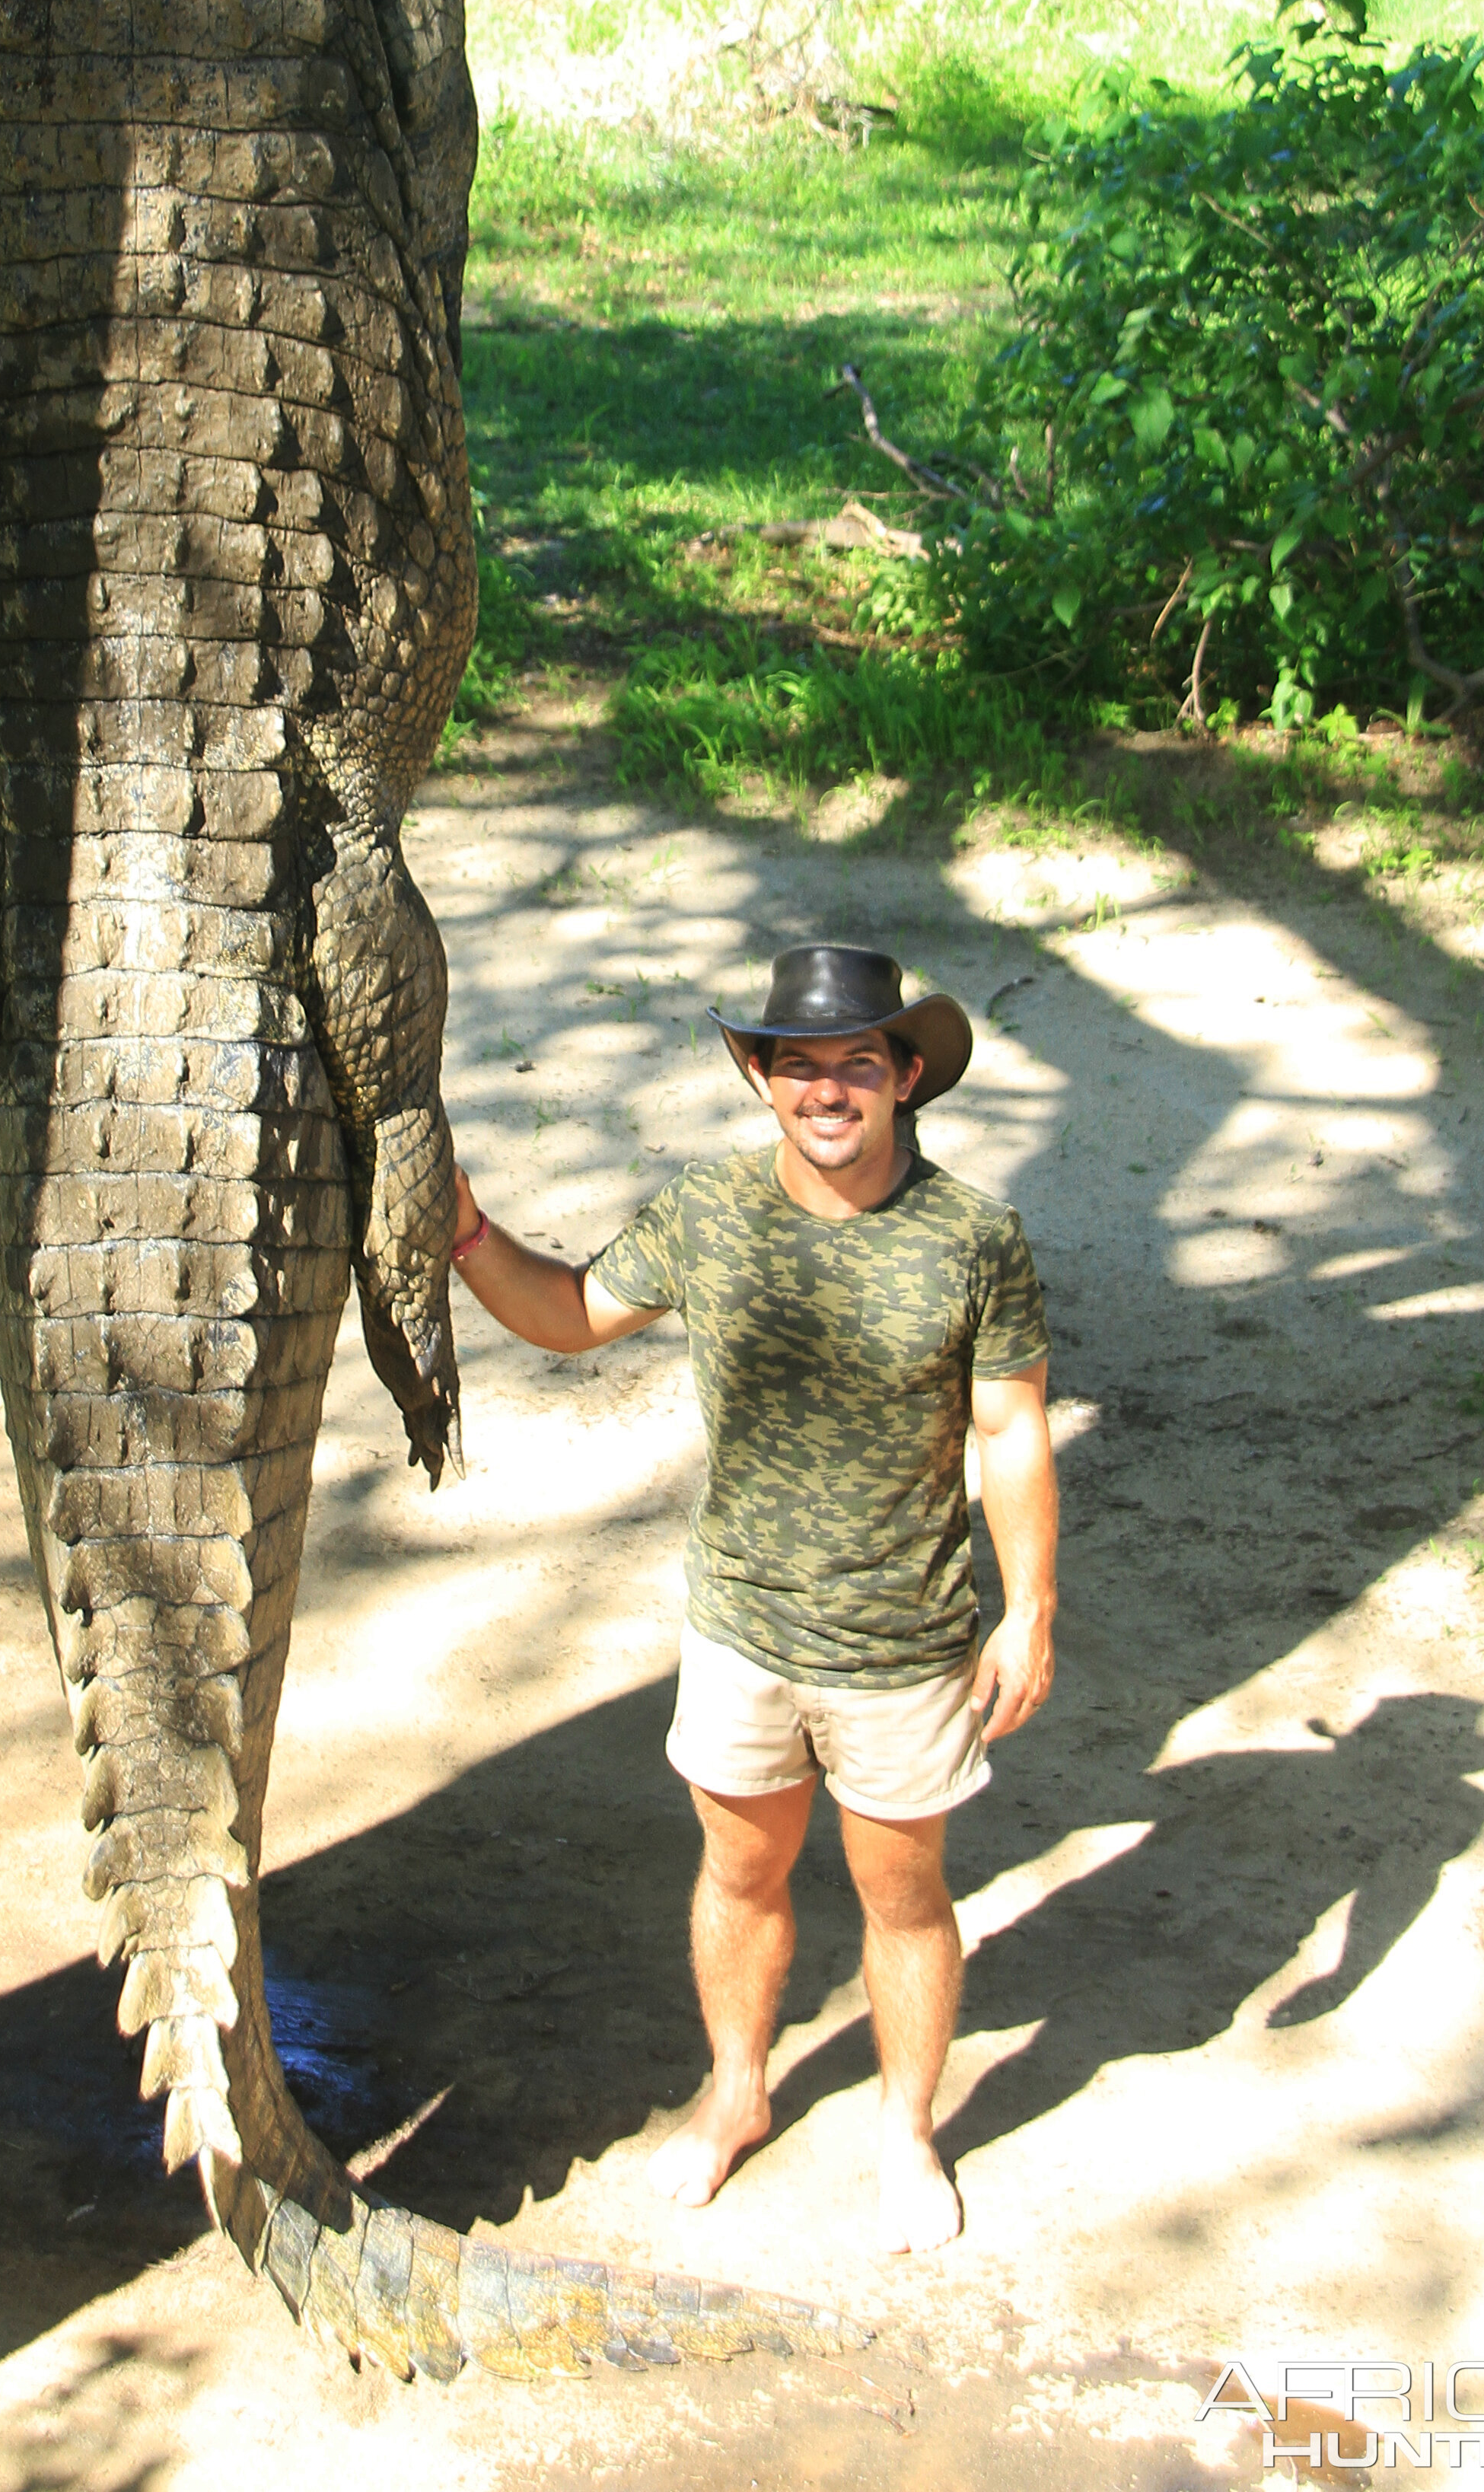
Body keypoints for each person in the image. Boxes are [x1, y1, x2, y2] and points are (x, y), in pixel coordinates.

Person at [450, 939, 1056, 2255]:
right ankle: (738, 2092)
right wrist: (464, 1233)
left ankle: (907, 2132)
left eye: (855, 1064)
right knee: (741, 1868)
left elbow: (1011, 1430)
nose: (826, 1091)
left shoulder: (974, 1238)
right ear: (761, 1077)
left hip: (904, 1645)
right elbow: (566, 1315)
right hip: (739, 1630)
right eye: (799, 1066)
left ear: (904, 1078)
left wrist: (1031, 1610)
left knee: (902, 1895)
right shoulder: (708, 1212)